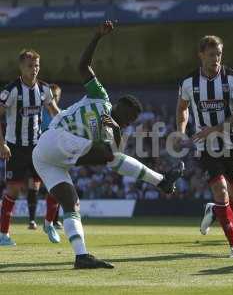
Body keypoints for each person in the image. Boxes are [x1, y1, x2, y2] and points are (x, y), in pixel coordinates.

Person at [32, 20, 183, 269]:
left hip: (45, 158)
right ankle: (162, 181)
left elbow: (113, 155)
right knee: (108, 156)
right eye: (128, 113)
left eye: (132, 119)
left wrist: (115, 132)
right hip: (54, 138)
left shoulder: (112, 131)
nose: (128, 119)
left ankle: (81, 256)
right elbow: (83, 66)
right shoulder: (101, 97)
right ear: (120, 104)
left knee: (71, 202)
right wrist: (96, 37)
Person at [175, 35, 233, 258]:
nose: (216, 58)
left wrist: (215, 129)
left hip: (232, 142)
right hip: (205, 145)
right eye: (211, 54)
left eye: (218, 54)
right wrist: (180, 129)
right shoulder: (188, 82)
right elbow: (182, 108)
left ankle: (216, 210)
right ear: (201, 55)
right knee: (221, 190)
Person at [0, 49, 60, 245]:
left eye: (36, 66)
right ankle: (3, 235)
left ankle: (49, 222)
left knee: (55, 182)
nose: (34, 70)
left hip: (38, 146)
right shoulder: (11, 91)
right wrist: (2, 144)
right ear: (21, 68)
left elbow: (56, 114)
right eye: (30, 66)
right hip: (15, 147)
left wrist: (67, 129)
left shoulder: (44, 89)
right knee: (13, 191)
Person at [42, 84, 63, 230]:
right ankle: (45, 219)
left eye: (56, 96)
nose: (53, 99)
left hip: (58, 153)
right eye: (51, 96)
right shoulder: (40, 113)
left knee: (59, 186)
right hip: (42, 152)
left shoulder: (62, 114)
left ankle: (54, 219)